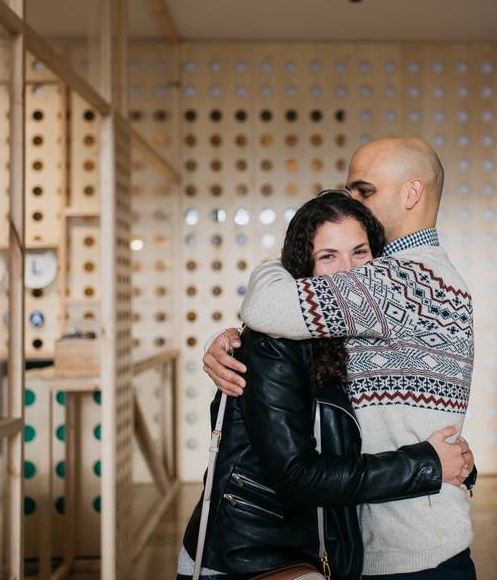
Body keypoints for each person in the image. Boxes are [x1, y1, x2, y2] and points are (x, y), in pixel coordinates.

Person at [204, 137, 477, 579]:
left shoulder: (402, 281)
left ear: (411, 193)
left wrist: (274, 269)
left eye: (363, 191)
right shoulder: (394, 279)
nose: (353, 203)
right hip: (379, 538)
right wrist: (232, 342)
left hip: (410, 550)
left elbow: (269, 306)